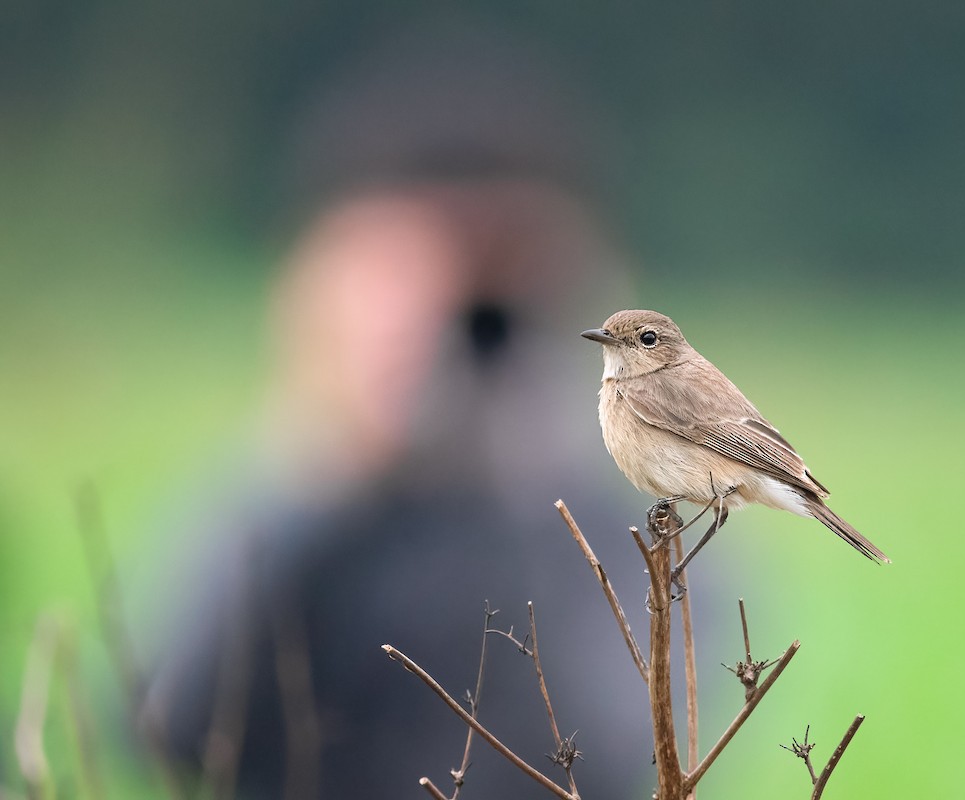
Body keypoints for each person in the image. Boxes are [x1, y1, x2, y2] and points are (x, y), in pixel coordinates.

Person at [134, 22, 652, 798]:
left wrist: (570, 446)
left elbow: (622, 755)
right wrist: (327, 451)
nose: (470, 320)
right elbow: (172, 730)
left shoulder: (622, 517)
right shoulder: (290, 499)